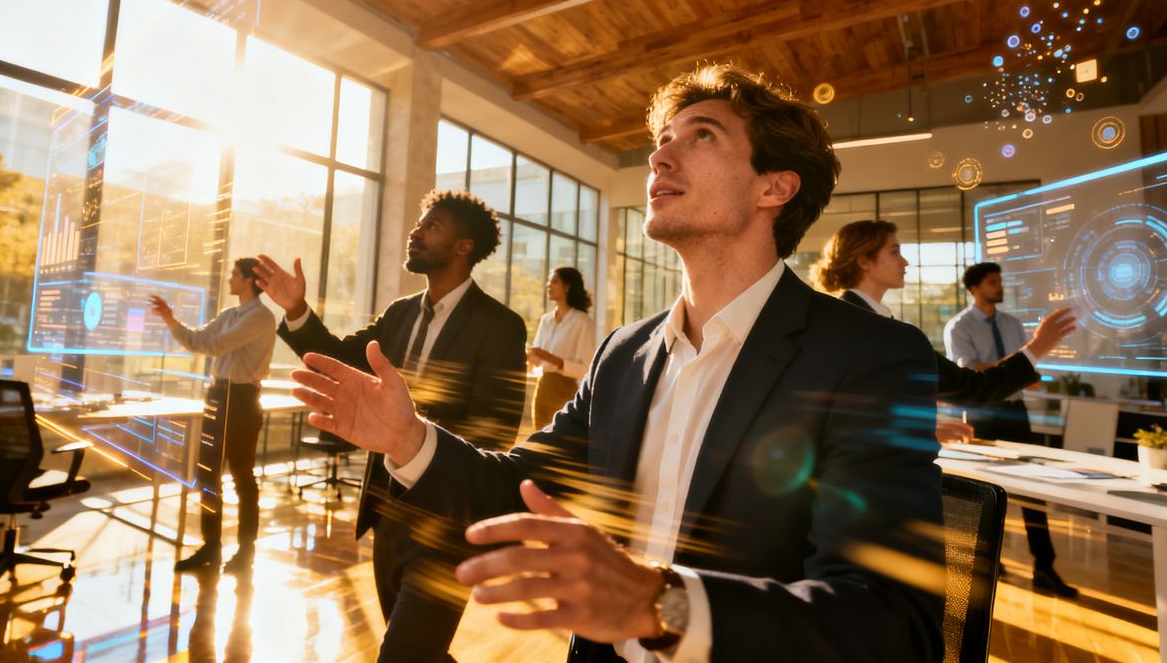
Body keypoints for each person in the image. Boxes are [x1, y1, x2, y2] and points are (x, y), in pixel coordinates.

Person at [291, 65, 946, 661]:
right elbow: (520, 487)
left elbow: (892, 624)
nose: (660, 154)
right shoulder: (624, 354)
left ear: (774, 186)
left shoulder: (866, 356)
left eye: (703, 136)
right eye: (664, 137)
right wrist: (407, 439)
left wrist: (659, 606)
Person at [254, 190, 526, 663]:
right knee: (415, 648)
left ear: (464, 247)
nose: (416, 232)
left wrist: (417, 439)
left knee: (403, 653)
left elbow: (494, 429)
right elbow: (337, 361)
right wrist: (296, 310)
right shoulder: (400, 314)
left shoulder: (500, 325)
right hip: (388, 506)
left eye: (432, 225)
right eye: (420, 223)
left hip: (446, 516)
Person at [816, 220, 1076, 443]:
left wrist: (922, 430)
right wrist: (1038, 346)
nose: (905, 261)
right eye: (894, 252)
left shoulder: (839, 320)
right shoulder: (879, 330)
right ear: (864, 261)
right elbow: (974, 389)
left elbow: (865, 411)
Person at [945, 262, 1079, 597]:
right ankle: (988, 564)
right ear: (975, 288)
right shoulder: (958, 327)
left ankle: (1045, 568)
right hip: (982, 414)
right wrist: (1014, 366)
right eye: (993, 282)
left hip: (1016, 412)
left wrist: (1017, 368)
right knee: (985, 489)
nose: (999, 287)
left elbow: (1028, 370)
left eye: (999, 281)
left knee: (1034, 491)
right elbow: (972, 374)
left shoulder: (1013, 324)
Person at [148, 257, 276, 573]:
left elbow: (216, 345)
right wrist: (170, 319)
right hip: (218, 396)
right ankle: (211, 546)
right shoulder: (230, 314)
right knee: (207, 474)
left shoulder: (261, 317)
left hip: (242, 400)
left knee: (242, 475)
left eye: (234, 274)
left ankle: (246, 550)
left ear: (248, 280)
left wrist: (195, 336)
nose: (230, 278)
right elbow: (197, 340)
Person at [527, 266, 596, 430]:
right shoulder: (545, 320)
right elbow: (537, 356)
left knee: (560, 443)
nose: (548, 285)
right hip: (542, 386)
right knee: (538, 441)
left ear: (567, 287)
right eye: (548, 282)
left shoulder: (583, 322)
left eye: (554, 281)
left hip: (565, 391)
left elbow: (585, 369)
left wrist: (550, 358)